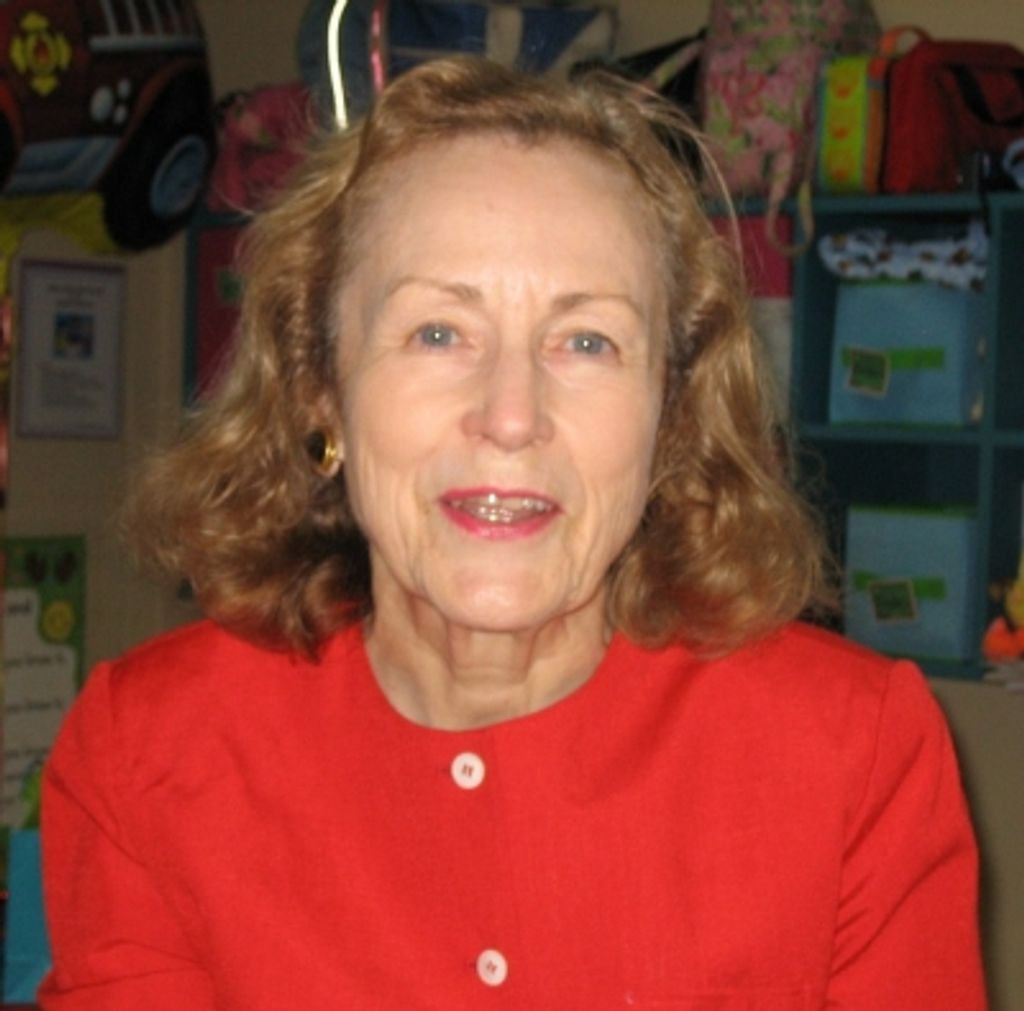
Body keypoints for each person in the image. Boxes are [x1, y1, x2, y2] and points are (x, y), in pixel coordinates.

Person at [39, 57, 986, 1009]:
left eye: (587, 342)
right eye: (438, 332)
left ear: (671, 413)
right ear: (319, 385)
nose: (511, 415)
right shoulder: (147, 754)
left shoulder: (853, 756)